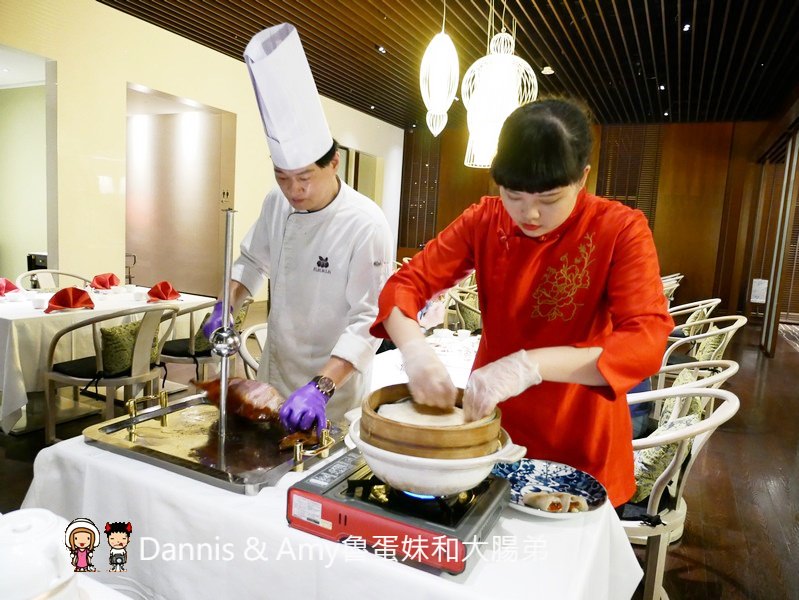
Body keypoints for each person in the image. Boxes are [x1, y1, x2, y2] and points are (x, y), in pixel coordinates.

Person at [370, 98, 674, 507]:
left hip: (579, 436)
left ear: (582, 178)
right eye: (513, 195)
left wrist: (529, 365)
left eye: (549, 199)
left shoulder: (619, 229)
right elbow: (407, 283)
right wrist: (414, 348)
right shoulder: (486, 219)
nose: (528, 214)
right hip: (489, 428)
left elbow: (646, 340)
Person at [203, 24, 393, 433]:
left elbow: (369, 319)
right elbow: (252, 261)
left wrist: (320, 388)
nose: (294, 190)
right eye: (283, 177)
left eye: (305, 177)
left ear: (334, 163)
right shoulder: (277, 203)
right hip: (275, 371)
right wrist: (229, 303)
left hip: (332, 388)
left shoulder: (365, 222)